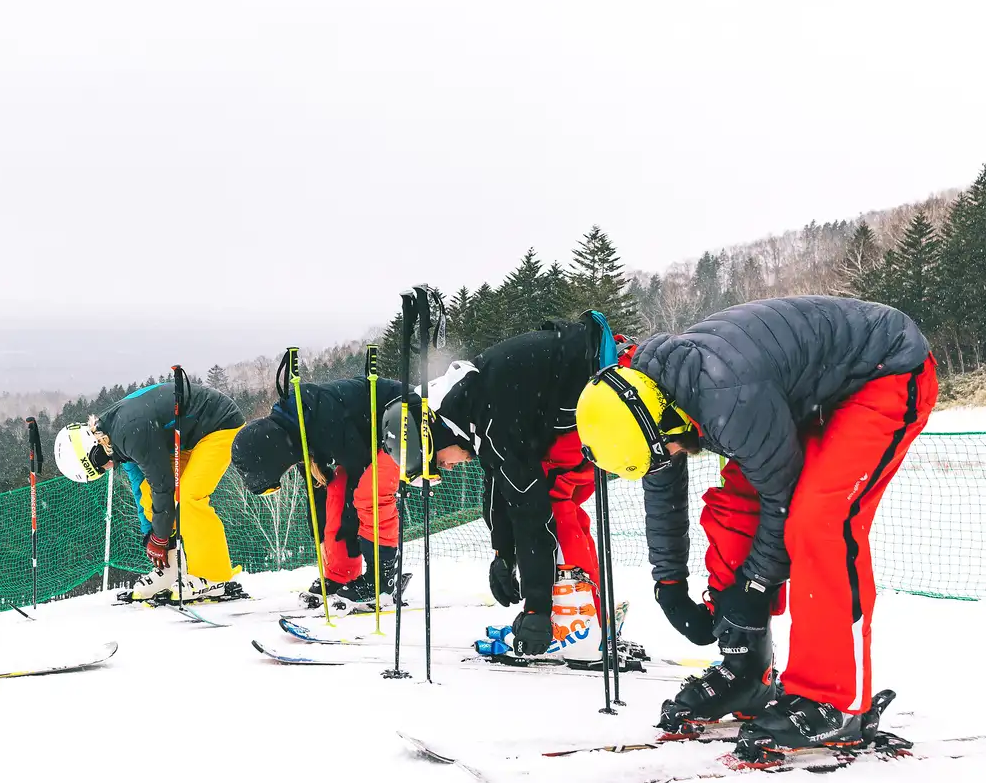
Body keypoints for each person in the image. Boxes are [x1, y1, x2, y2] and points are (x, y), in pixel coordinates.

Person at [576, 296, 935, 752]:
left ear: (664, 421)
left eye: (665, 451)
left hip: (884, 370)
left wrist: (755, 587)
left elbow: (781, 501)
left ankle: (837, 702)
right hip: (796, 392)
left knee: (818, 521)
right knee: (732, 515)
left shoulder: (726, 399)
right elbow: (663, 487)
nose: (673, 458)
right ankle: (746, 670)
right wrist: (669, 583)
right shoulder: (650, 399)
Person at [386, 313, 632, 660]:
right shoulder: (468, 405)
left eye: (438, 461)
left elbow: (530, 513)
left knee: (552, 503)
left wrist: (537, 611)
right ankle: (584, 611)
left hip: (611, 389)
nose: (448, 466)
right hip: (598, 386)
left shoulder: (488, 420)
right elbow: (499, 478)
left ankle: (578, 624)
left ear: (436, 436)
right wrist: (504, 553)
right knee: (551, 497)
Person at [231, 366, 405, 611]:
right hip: (370, 443)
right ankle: (341, 574)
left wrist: (350, 525)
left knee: (367, 493)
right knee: (335, 491)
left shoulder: (320, 419)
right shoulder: (296, 431)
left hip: (403, 421)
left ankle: (383, 581)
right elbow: (317, 491)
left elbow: (359, 468)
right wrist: (321, 536)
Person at [55, 379, 245, 601]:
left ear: (94, 450)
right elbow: (141, 487)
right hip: (189, 437)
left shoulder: (130, 432)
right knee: (149, 491)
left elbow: (163, 485)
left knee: (188, 496)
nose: (106, 469)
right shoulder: (111, 437)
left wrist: (161, 537)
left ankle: (213, 576)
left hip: (219, 425)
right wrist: (151, 537)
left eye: (98, 466)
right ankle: (171, 568)